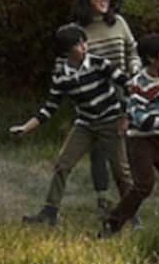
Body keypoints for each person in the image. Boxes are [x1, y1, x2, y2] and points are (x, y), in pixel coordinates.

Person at [9, 24, 133, 226]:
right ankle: (49, 212)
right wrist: (25, 127)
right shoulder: (61, 76)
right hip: (85, 124)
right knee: (62, 165)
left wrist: (126, 117)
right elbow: (49, 108)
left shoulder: (99, 63)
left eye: (84, 41)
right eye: (78, 43)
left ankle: (130, 214)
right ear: (67, 50)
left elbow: (128, 85)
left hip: (111, 121)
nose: (84, 45)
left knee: (121, 171)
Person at [102, 34, 159, 242]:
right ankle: (112, 223)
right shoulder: (137, 85)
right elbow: (141, 119)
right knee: (144, 185)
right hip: (140, 140)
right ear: (152, 59)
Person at [72, 0, 138, 209]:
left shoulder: (118, 23)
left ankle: (129, 205)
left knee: (122, 157)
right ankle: (103, 200)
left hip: (125, 93)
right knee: (99, 151)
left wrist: (135, 68)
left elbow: (132, 50)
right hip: (97, 99)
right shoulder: (79, 31)